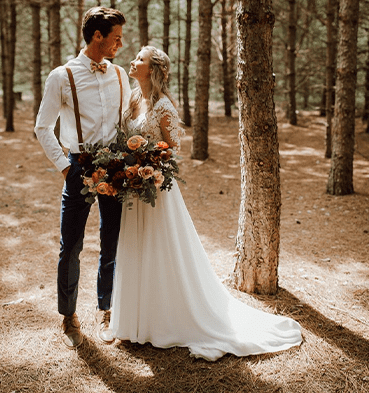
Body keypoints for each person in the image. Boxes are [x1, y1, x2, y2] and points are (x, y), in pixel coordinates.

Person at [109, 46, 302, 361]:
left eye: (140, 59)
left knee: (159, 250)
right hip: (134, 189)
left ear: (154, 68)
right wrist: (123, 163)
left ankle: (165, 321)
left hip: (155, 189)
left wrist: (146, 161)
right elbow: (122, 138)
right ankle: (134, 324)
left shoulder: (163, 107)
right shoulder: (133, 100)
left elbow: (173, 150)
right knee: (134, 249)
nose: (133, 61)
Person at [34, 7, 131, 349]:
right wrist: (65, 166)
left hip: (116, 166)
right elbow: (42, 127)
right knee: (71, 244)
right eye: (116, 37)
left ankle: (107, 308)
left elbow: (129, 123)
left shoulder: (120, 74)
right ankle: (69, 315)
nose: (121, 43)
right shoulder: (61, 76)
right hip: (78, 166)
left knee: (112, 242)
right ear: (97, 36)